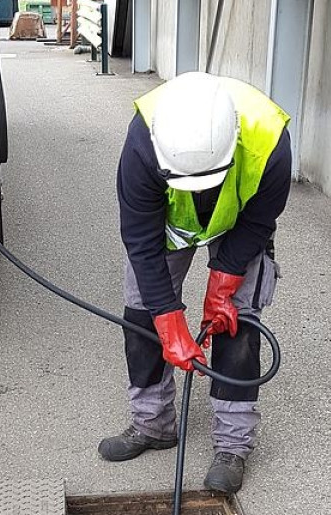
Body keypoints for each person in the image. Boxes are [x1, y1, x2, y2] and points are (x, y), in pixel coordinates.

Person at [98, 71, 293, 494]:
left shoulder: (268, 140)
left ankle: (233, 445)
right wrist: (170, 325)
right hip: (168, 229)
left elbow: (260, 218)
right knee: (142, 315)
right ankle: (153, 424)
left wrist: (223, 286)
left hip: (239, 224)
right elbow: (141, 242)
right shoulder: (142, 143)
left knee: (238, 322)